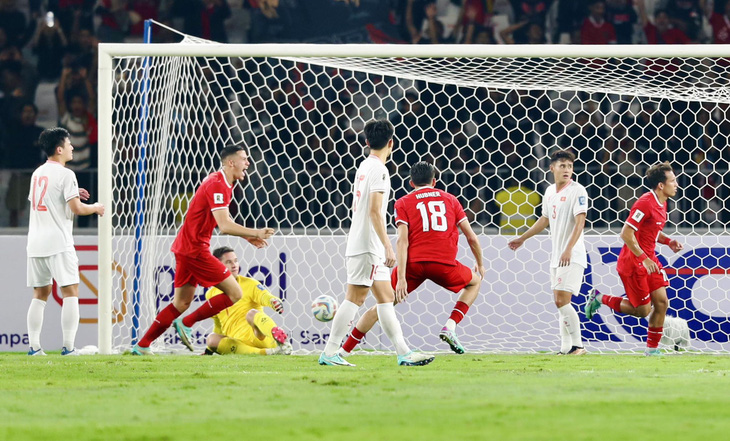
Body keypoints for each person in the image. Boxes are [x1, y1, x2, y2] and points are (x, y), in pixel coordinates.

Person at [132, 145, 275, 355]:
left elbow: (220, 221)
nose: (248, 163)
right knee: (236, 292)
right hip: (195, 249)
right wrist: (256, 232)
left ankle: (142, 345)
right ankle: (187, 324)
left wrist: (246, 236)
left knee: (181, 302)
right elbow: (224, 226)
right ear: (231, 162)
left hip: (185, 247)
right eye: (244, 159)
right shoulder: (218, 184)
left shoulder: (223, 183)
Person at [318, 119, 434, 367]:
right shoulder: (380, 170)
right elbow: (374, 211)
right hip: (368, 245)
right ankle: (329, 352)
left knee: (386, 297)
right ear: (391, 143)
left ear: (367, 142)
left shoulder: (364, 166)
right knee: (356, 298)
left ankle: (404, 352)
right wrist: (388, 246)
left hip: (363, 243)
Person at [339, 161, 485, 356]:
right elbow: (471, 237)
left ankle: (344, 351)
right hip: (444, 265)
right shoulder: (450, 199)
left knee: (382, 305)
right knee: (474, 283)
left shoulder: (403, 202)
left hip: (412, 266)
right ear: (434, 181)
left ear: (411, 183)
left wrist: (401, 279)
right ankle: (450, 326)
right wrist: (480, 264)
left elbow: (402, 240)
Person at [585, 162, 683, 356]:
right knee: (642, 311)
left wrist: (668, 241)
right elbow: (626, 233)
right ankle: (600, 298)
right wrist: (644, 258)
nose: (676, 184)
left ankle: (652, 350)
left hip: (649, 258)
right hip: (633, 262)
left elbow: (651, 230)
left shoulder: (662, 202)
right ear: (661, 185)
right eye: (672, 180)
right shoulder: (645, 202)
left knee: (662, 302)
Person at [26, 127, 105, 356]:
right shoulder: (66, 174)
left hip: (35, 243)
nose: (72, 147)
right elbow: (77, 209)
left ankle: (34, 347)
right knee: (71, 291)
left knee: (40, 294)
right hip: (58, 242)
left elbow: (44, 200)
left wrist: (71, 192)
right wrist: (96, 208)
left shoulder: (37, 173)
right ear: (59, 149)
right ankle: (69, 348)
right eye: (69, 144)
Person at [508, 150, 588, 355]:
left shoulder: (578, 191)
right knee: (560, 303)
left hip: (571, 254)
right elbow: (544, 220)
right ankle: (565, 348)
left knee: (561, 300)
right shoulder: (550, 191)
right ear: (552, 168)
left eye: (569, 166)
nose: (567, 170)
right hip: (557, 256)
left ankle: (578, 346)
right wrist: (523, 238)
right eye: (562, 166)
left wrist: (568, 249)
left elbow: (581, 223)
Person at [203, 246, 291, 356]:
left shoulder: (250, 283)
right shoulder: (210, 294)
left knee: (252, 314)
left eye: (235, 261)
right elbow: (218, 325)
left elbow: (264, 296)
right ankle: (267, 353)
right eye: (229, 262)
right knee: (211, 339)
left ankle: (279, 341)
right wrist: (208, 351)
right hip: (238, 343)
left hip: (259, 335)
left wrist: (273, 301)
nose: (234, 265)